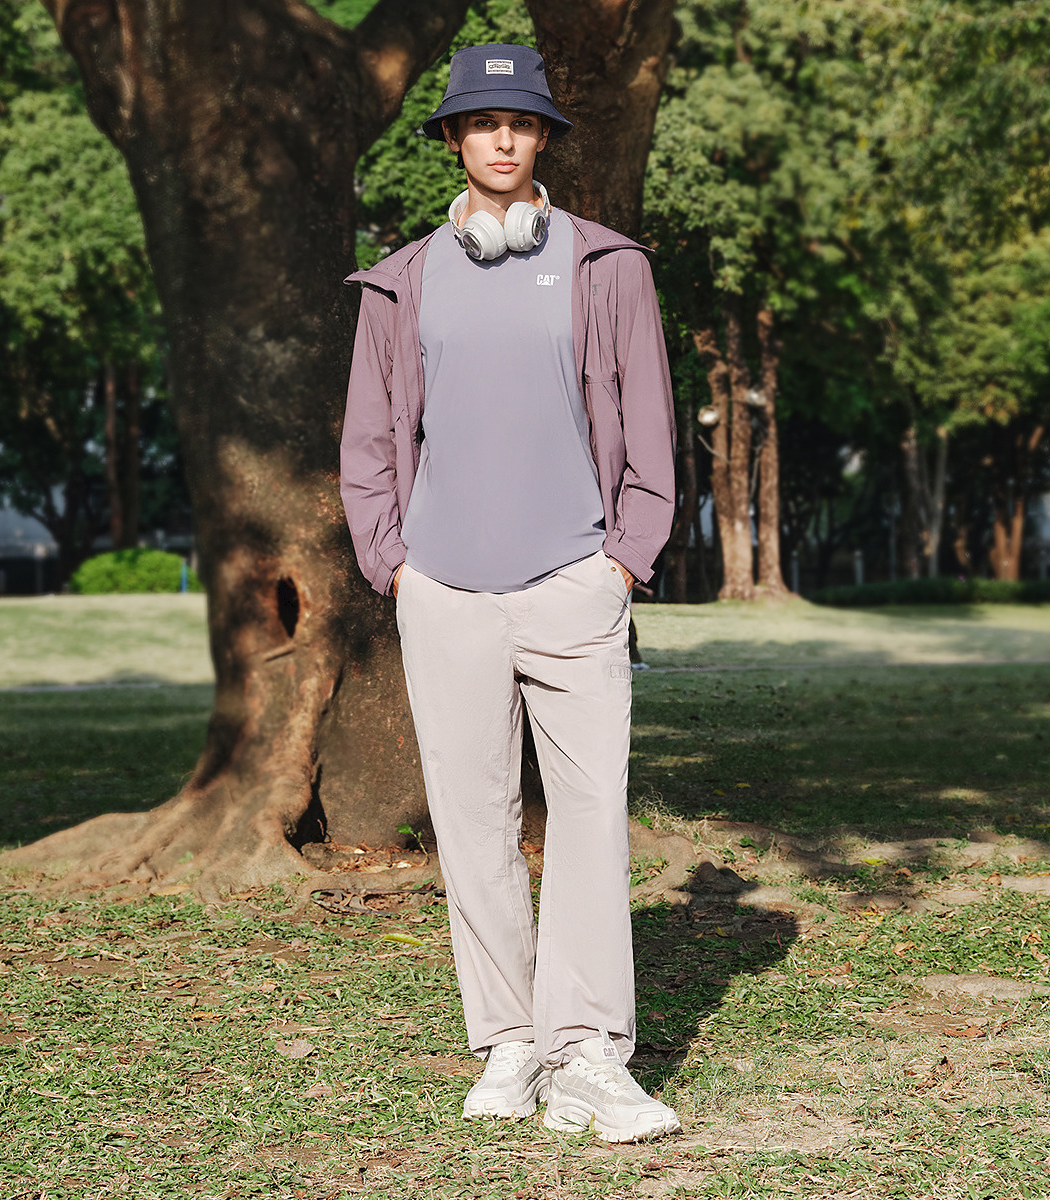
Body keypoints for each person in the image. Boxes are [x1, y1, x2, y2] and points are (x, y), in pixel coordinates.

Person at [340, 43, 678, 1143]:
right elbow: (371, 442)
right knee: (473, 823)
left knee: (591, 821)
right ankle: (510, 1042)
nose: (501, 138)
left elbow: (651, 425)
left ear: (542, 139)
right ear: (452, 137)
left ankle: (589, 1053)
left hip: (575, 583)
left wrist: (624, 557)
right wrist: (393, 562)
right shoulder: (402, 280)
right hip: (445, 592)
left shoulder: (606, 266)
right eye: (482, 122)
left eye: (520, 122)